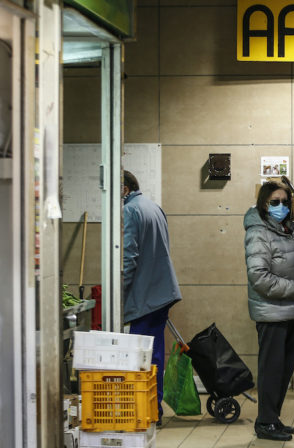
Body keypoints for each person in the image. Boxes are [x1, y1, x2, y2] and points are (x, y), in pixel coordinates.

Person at [243, 181, 294, 441]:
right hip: (271, 313)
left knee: (285, 369)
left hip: (290, 310)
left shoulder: (289, 229)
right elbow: (260, 278)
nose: (281, 206)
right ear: (264, 204)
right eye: (274, 202)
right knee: (271, 369)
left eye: (285, 202)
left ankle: (272, 419)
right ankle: (265, 421)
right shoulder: (258, 232)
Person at [122, 170, 181, 425]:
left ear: (124, 188)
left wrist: (119, 294)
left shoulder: (130, 211)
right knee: (154, 352)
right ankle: (153, 406)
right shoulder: (153, 207)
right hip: (161, 291)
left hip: (146, 295)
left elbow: (129, 258)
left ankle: (147, 409)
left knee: (142, 354)